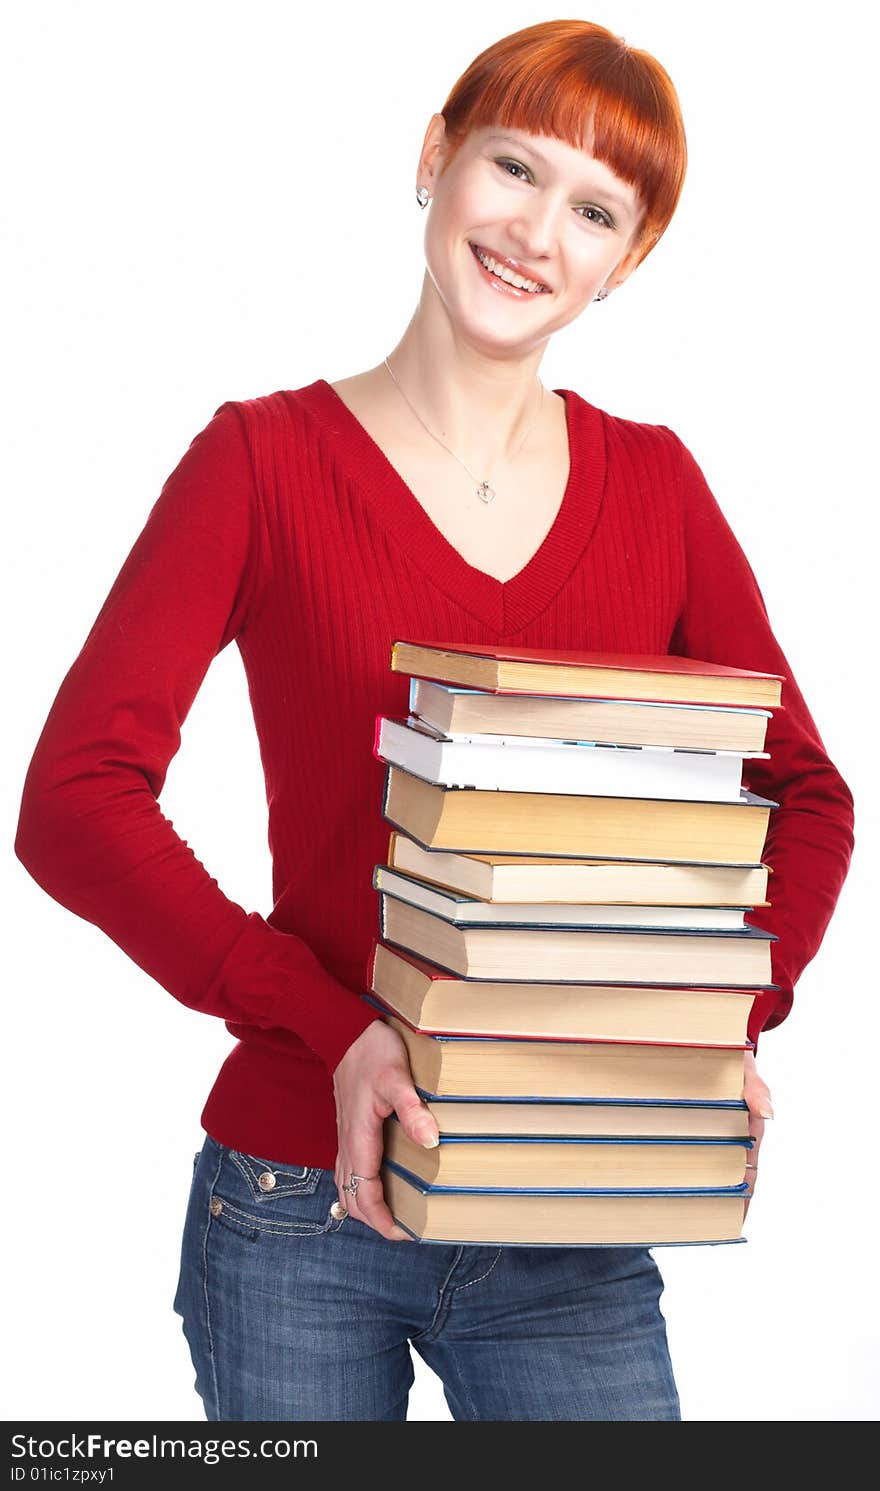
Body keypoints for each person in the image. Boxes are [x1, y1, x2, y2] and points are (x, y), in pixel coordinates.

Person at [13, 19, 854, 1422]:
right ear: (435, 159)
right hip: (297, 1206)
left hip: (571, 1217)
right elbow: (76, 800)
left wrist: (719, 1024)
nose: (537, 230)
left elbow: (807, 794)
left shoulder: (659, 491)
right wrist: (330, 1027)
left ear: (625, 260)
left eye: (595, 210)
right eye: (513, 167)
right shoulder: (261, 465)